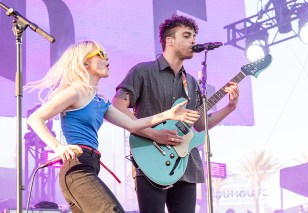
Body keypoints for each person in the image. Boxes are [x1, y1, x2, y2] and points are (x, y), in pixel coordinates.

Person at [25, 40, 200, 213]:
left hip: (91, 165)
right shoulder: (74, 92)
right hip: (76, 167)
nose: (107, 58)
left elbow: (132, 124)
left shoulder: (100, 102)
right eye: (101, 54)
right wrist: (58, 147)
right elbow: (35, 118)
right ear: (85, 61)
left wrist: (168, 115)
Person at [112, 14, 240, 213]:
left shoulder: (191, 82)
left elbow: (198, 125)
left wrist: (229, 108)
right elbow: (118, 107)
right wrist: (153, 134)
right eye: (187, 36)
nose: (193, 41)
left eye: (194, 37)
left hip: (186, 165)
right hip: (151, 160)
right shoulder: (142, 71)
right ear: (169, 41)